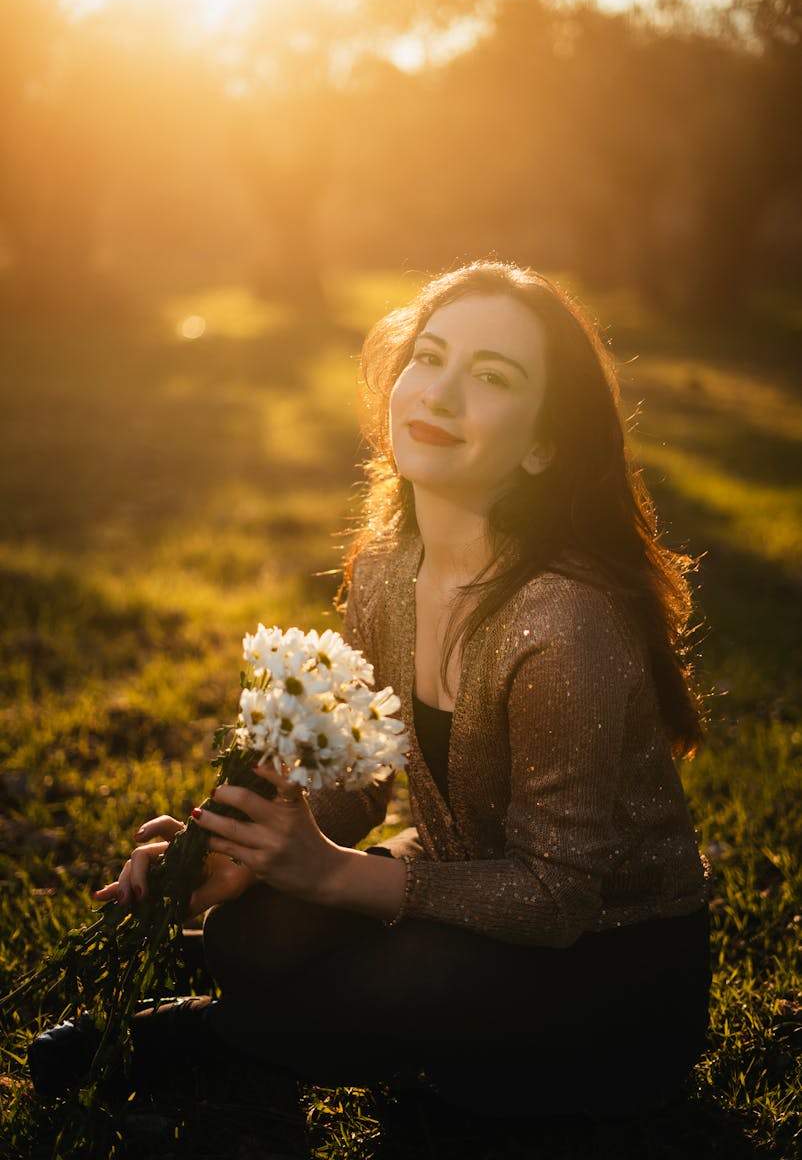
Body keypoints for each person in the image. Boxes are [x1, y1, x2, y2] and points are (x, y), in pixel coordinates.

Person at [33, 261, 711, 1140]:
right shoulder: (388, 571)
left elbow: (557, 900)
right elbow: (360, 781)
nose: (442, 393)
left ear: (543, 444)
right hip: (457, 884)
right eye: (428, 359)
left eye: (492, 377)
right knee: (252, 929)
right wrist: (242, 846)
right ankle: (250, 1005)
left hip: (609, 970)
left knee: (406, 979)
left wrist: (329, 873)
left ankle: (216, 1038)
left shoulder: (564, 624)